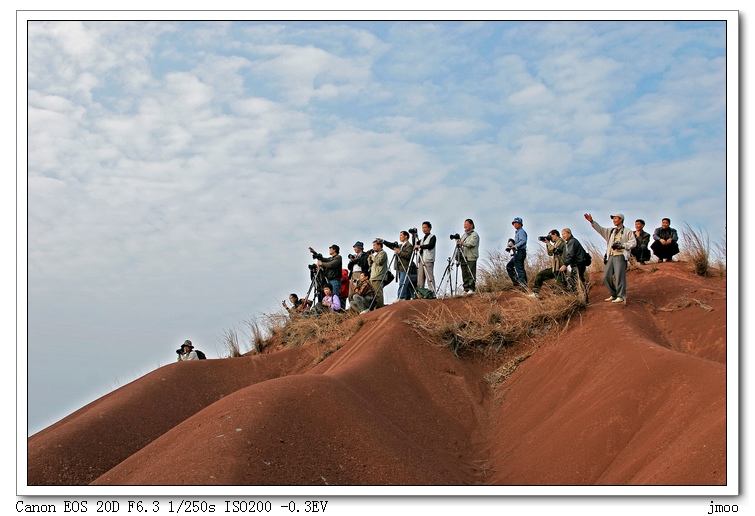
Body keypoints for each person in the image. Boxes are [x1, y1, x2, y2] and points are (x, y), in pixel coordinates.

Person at [585, 212, 636, 303]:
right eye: (613, 219)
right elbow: (600, 229)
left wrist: (623, 246)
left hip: (620, 255)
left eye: (616, 218)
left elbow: (633, 243)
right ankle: (614, 294)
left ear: (621, 219)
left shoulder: (628, 231)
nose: (614, 220)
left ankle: (621, 296)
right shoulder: (612, 231)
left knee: (619, 276)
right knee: (606, 277)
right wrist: (592, 222)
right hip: (611, 255)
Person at [530, 230, 566, 298]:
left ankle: (565, 298)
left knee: (560, 288)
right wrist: (547, 243)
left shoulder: (560, 241)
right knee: (540, 275)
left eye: (550, 236)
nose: (550, 237)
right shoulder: (555, 243)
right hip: (555, 268)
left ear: (555, 234)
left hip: (560, 267)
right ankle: (535, 293)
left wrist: (548, 243)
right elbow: (550, 253)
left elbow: (554, 249)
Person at [559, 228, 591, 304]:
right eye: (562, 234)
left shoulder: (572, 242)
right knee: (578, 281)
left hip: (578, 264)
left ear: (569, 233)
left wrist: (565, 265)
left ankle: (583, 300)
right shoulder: (572, 241)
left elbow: (571, 255)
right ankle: (583, 299)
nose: (563, 236)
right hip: (580, 264)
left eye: (564, 234)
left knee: (577, 282)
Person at [380, 231, 414, 300]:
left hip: (405, 267)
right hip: (399, 267)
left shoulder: (409, 246)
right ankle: (407, 297)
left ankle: (401, 297)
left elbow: (408, 255)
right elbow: (391, 245)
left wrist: (399, 252)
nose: (400, 237)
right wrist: (383, 241)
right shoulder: (400, 245)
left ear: (406, 236)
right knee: (404, 283)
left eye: (401, 235)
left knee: (403, 283)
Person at [456, 218, 479, 295]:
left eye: (467, 225)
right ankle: (466, 289)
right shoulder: (463, 235)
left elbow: (472, 244)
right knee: (464, 273)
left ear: (471, 225)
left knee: (471, 272)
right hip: (464, 256)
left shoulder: (474, 235)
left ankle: (471, 288)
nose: (465, 226)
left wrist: (462, 243)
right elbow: (460, 244)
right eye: (464, 225)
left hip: (471, 256)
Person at [415, 221, 437, 294]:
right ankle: (420, 292)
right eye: (423, 228)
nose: (424, 229)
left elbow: (431, 245)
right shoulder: (422, 239)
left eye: (425, 227)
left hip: (428, 259)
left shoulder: (432, 237)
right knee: (420, 277)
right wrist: (413, 235)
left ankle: (432, 292)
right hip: (421, 259)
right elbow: (415, 244)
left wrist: (420, 246)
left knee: (429, 277)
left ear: (430, 228)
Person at [506, 217, 528, 291]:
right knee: (509, 266)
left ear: (520, 224)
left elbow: (523, 241)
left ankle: (523, 286)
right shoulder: (518, 232)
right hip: (517, 252)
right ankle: (517, 283)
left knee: (520, 269)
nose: (514, 225)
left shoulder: (521, 231)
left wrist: (515, 246)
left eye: (516, 223)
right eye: (514, 223)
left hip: (520, 252)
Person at [368, 239, 388, 309]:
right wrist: (369, 257)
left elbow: (379, 262)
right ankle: (375, 308)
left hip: (378, 276)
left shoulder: (383, 253)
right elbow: (370, 264)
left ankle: (379, 308)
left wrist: (373, 257)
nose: (373, 247)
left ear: (379, 246)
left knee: (378, 294)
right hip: (373, 276)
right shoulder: (376, 255)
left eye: (375, 245)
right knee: (373, 294)